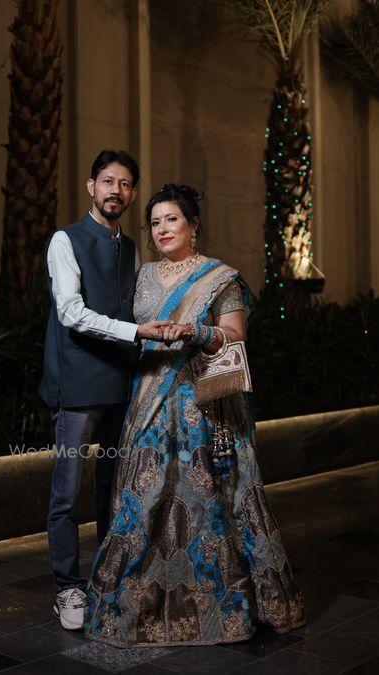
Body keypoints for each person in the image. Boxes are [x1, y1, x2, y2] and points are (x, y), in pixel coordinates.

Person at [85, 183, 306, 647]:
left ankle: (221, 607)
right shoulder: (142, 276)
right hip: (147, 397)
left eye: (172, 219)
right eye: (155, 222)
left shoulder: (220, 278)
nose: (162, 229)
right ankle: (133, 609)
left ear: (193, 225)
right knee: (141, 495)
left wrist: (195, 332)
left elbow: (235, 337)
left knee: (205, 497)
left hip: (200, 403)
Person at [38, 150, 169, 632]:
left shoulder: (130, 248)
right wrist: (135, 333)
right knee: (67, 494)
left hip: (120, 384)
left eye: (126, 184)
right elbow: (70, 312)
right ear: (92, 186)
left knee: (112, 490)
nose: (117, 190)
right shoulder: (65, 240)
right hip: (76, 385)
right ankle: (66, 587)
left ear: (132, 194)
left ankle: (107, 577)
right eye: (108, 181)